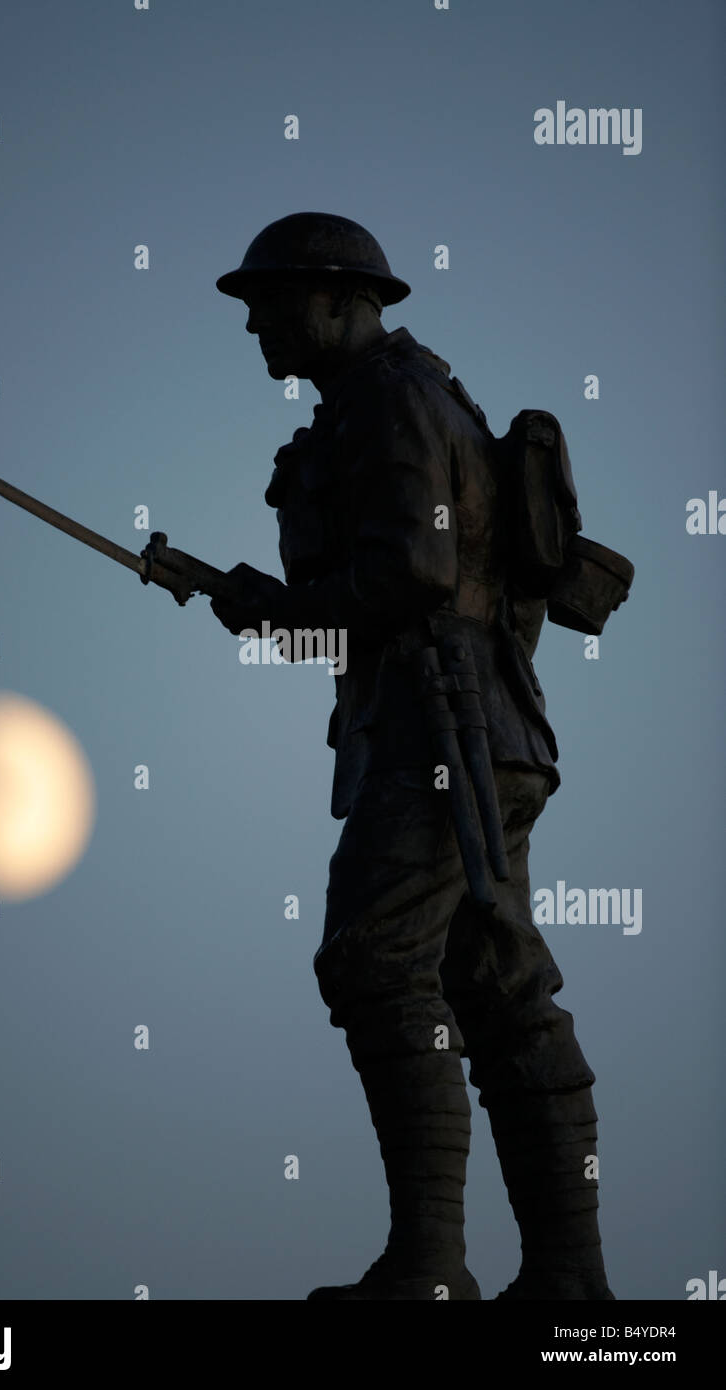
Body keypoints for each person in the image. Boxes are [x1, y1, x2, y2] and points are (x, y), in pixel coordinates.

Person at [210, 212, 616, 1301]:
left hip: (448, 734)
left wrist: (282, 605)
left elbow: (414, 579)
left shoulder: (387, 399)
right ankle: (566, 1281)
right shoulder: (392, 399)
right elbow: (384, 604)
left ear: (344, 301)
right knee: (491, 986)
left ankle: (432, 1266)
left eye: (274, 300)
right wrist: (267, 614)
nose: (255, 323)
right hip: (476, 734)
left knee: (377, 962)